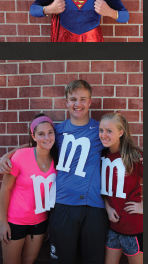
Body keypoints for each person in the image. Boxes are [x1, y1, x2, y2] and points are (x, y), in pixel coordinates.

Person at [0, 79, 108, 264]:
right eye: (73, 99)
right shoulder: (57, 131)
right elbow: (38, 143)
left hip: (93, 206)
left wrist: (138, 155)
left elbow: (120, 141)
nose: (78, 104)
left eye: (83, 99)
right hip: (62, 205)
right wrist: (8, 155)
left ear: (90, 102)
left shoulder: (100, 130)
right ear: (66, 102)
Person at [0, 114, 58, 264]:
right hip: (14, 222)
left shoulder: (57, 159)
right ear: (33, 136)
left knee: (29, 261)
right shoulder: (20, 156)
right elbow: (5, 189)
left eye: (50, 132)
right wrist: (2, 222)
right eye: (41, 134)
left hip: (40, 223)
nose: (47, 137)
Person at [99, 112, 143, 264]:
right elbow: (102, 190)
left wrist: (147, 206)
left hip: (133, 228)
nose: (103, 135)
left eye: (109, 131)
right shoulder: (101, 155)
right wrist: (107, 207)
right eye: (101, 130)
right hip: (112, 227)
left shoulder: (134, 156)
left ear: (121, 132)